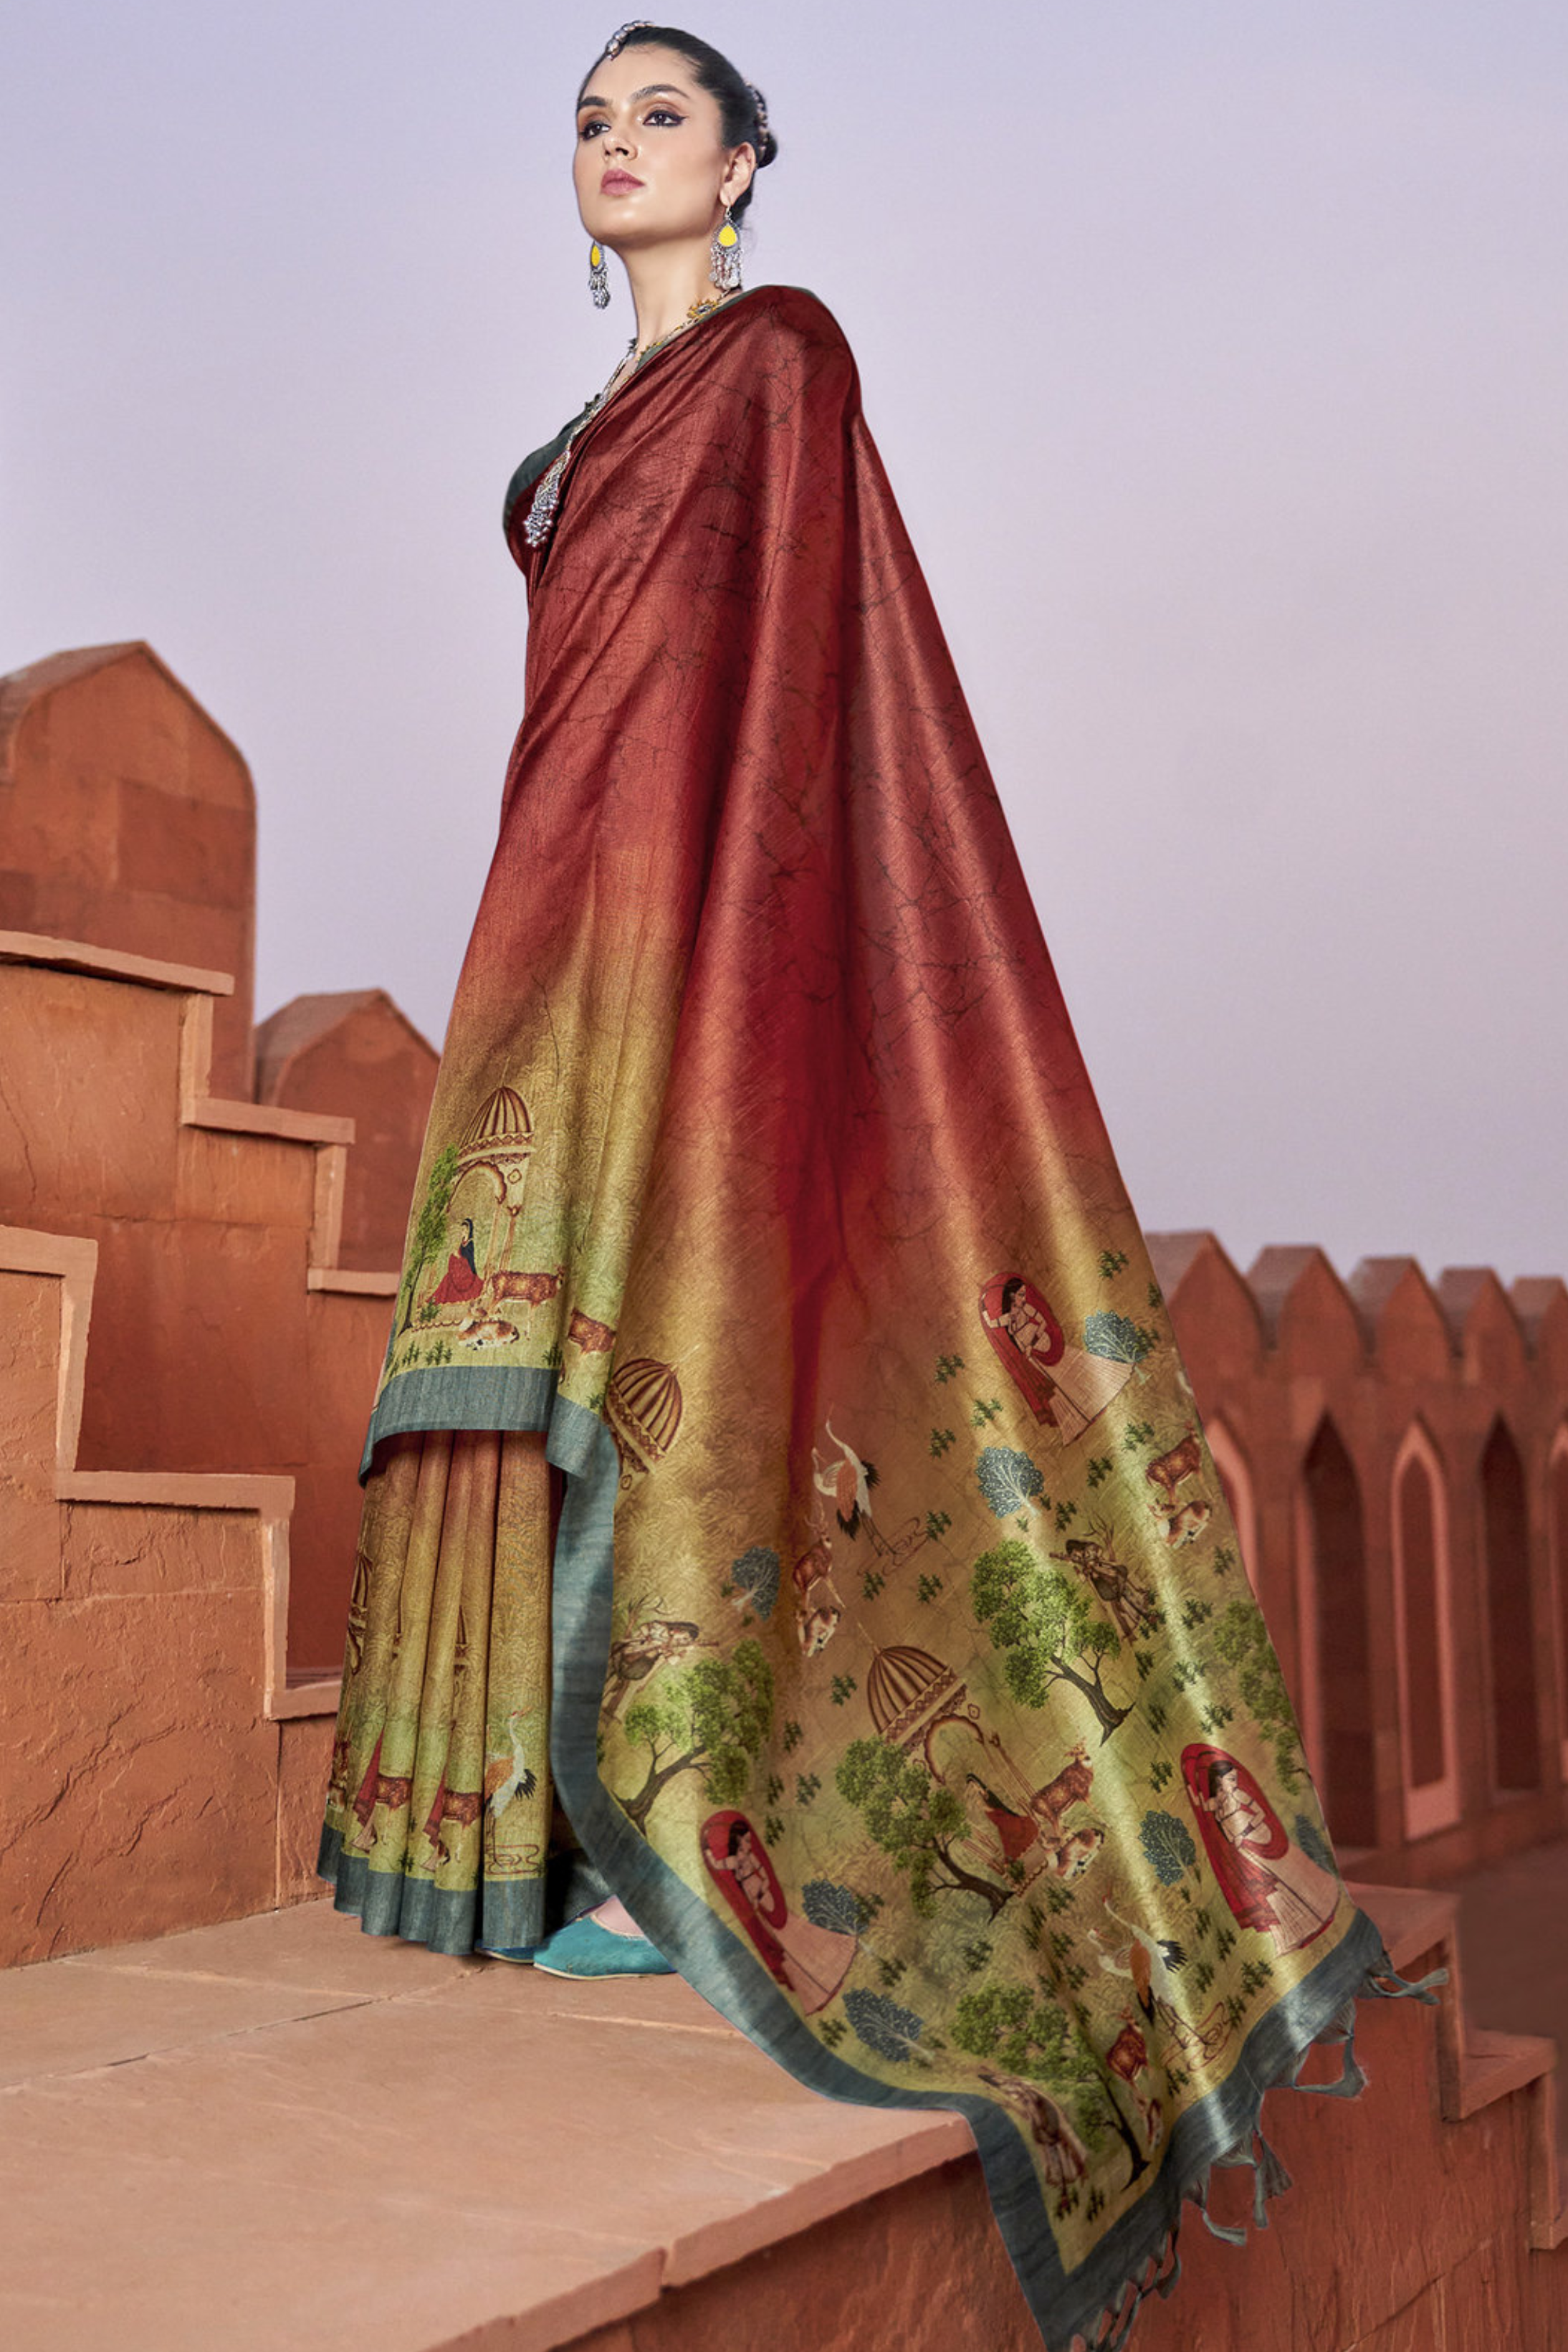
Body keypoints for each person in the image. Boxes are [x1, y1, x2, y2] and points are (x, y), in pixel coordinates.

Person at [320, 25, 1412, 2348]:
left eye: (661, 114)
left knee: (668, 1304)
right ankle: (527, 1828)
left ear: (745, 167)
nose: (617, 146)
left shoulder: (776, 361)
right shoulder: (586, 431)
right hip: (562, 895)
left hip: (707, 915)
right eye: (589, 121)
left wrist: (745, 946)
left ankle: (696, 1827)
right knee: (513, 1318)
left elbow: (798, 675)